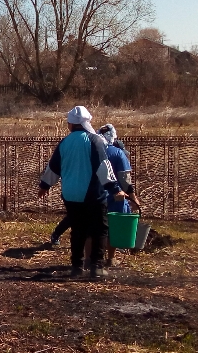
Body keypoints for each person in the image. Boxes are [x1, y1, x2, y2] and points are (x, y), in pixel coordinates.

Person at [38, 106, 126, 279]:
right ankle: (97, 267)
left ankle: (77, 267)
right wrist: (115, 189)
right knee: (100, 229)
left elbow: (53, 168)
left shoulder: (65, 142)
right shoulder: (95, 141)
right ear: (87, 122)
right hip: (93, 194)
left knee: (78, 230)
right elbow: (104, 168)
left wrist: (45, 185)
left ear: (71, 124)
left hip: (70, 194)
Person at [99, 124, 141, 266]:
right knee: (114, 227)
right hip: (116, 195)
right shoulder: (117, 153)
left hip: (96, 195)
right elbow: (125, 179)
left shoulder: (93, 151)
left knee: (95, 226)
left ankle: (90, 258)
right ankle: (111, 258)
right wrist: (133, 197)